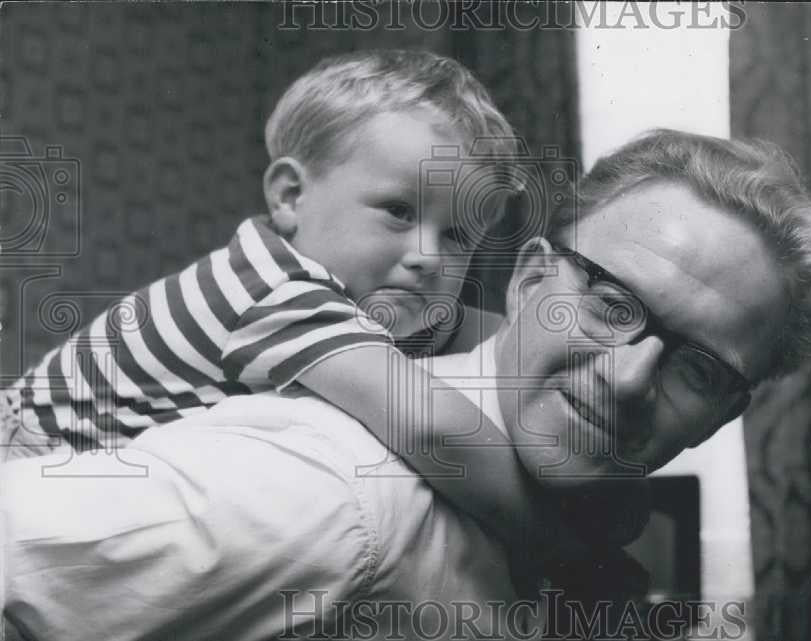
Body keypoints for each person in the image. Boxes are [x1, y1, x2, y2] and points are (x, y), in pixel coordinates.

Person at [2, 128, 811, 640]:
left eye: (697, 367)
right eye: (608, 304)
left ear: (726, 414)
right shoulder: (331, 488)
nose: (630, 380)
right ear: (529, 281)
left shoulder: (578, 517)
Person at [0, 50, 599, 564]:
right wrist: (568, 552)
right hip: (23, 458)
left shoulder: (373, 302)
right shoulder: (274, 289)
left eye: (459, 237)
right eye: (398, 210)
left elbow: (494, 343)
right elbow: (433, 426)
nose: (428, 257)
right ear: (291, 196)